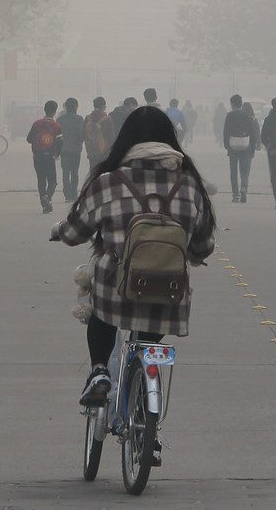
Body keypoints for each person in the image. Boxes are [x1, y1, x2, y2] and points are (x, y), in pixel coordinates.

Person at [53, 105, 217, 411]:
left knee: (101, 319)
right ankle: (144, 403)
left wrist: (59, 231)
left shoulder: (108, 181)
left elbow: (75, 233)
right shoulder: (190, 185)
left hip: (115, 291)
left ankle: (99, 372)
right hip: (168, 294)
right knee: (148, 337)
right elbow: (202, 246)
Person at [221, 94, 259, 203]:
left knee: (233, 172)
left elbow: (225, 132)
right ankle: (244, 188)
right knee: (244, 171)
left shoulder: (229, 115)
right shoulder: (248, 116)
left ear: (232, 104)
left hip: (233, 146)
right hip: (246, 146)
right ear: (241, 103)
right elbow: (252, 133)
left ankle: (235, 195)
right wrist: (252, 148)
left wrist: (227, 145)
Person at [28, 101, 63, 212]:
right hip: (49, 156)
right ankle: (47, 197)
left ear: (44, 109)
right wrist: (57, 153)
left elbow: (29, 139)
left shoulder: (37, 123)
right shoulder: (56, 126)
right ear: (55, 111)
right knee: (52, 180)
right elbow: (60, 142)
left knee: (41, 180)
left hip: (37, 156)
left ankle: (45, 206)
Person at [57, 97, 87, 201]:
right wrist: (81, 141)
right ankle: (73, 194)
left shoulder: (60, 119)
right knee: (74, 171)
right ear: (75, 107)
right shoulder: (78, 119)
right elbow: (80, 133)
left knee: (65, 171)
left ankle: (67, 194)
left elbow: (58, 136)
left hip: (63, 149)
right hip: (75, 149)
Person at [84, 96, 114, 164]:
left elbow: (83, 133)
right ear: (103, 106)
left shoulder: (88, 118)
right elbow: (111, 135)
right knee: (102, 170)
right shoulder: (107, 119)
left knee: (92, 169)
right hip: (103, 149)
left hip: (91, 149)